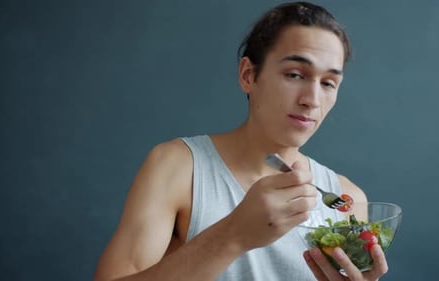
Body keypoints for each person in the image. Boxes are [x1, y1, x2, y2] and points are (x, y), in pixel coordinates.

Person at [93, 2, 389, 281]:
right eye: (295, 74)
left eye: (328, 83)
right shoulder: (179, 167)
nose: (311, 100)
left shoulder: (346, 201)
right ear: (248, 75)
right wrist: (233, 234)